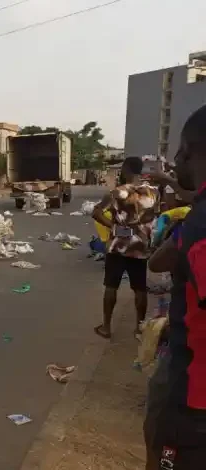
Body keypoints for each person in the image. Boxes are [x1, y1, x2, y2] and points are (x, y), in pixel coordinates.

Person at [143, 104, 206, 470]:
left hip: (194, 403)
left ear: (191, 152)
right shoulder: (196, 213)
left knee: (163, 453)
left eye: (179, 152)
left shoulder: (200, 224)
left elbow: (158, 261)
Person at [92, 156, 159, 340]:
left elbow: (96, 212)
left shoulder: (116, 193)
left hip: (119, 245)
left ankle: (106, 327)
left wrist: (113, 226)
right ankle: (139, 328)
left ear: (126, 169)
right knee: (140, 288)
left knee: (111, 286)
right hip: (141, 245)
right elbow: (156, 216)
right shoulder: (152, 193)